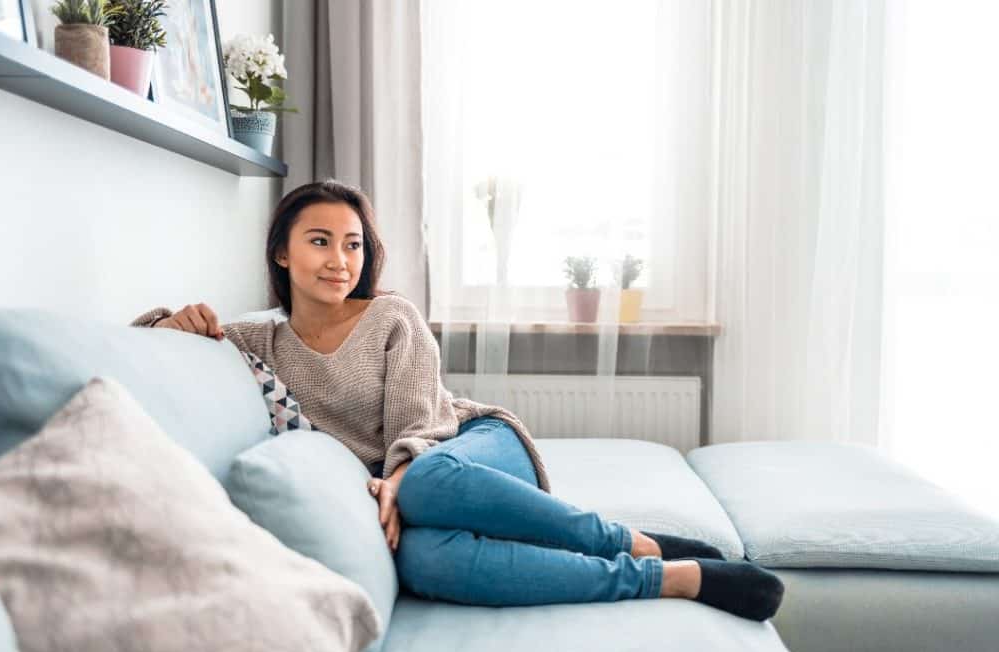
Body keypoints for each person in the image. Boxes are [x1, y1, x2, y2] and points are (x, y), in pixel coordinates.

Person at [131, 179, 784, 621]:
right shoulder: (261, 341)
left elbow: (419, 421)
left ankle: (625, 540)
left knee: (426, 482)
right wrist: (170, 320)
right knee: (423, 562)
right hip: (413, 494)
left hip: (471, 449)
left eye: (353, 243)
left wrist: (396, 480)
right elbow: (149, 340)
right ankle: (664, 577)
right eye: (320, 241)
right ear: (282, 251)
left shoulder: (392, 315)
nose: (340, 259)